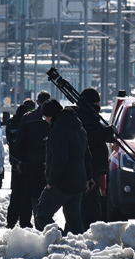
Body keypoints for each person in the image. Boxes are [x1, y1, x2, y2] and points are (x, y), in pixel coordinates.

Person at [34, 99, 94, 234]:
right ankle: (79, 246)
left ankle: (58, 240)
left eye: (45, 117)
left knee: (42, 215)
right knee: (74, 220)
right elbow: (87, 155)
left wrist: (51, 182)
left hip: (62, 183)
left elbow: (60, 159)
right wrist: (89, 177)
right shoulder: (79, 128)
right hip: (78, 182)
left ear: (50, 116)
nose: (46, 120)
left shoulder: (58, 131)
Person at [72, 87, 115, 229]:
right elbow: (91, 137)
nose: (99, 107)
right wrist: (107, 132)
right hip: (89, 169)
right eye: (97, 103)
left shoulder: (87, 116)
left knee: (89, 202)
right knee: (91, 205)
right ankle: (90, 230)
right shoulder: (85, 118)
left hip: (92, 168)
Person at [15, 95, 51, 218]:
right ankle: (42, 219)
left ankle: (27, 221)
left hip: (29, 161)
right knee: (45, 191)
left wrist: (19, 160)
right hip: (48, 161)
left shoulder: (28, 117)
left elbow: (20, 141)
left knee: (28, 192)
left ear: (37, 102)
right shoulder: (52, 117)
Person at [5, 99, 36, 229]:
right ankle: (25, 222)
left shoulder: (11, 123)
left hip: (15, 163)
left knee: (16, 193)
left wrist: (16, 160)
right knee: (26, 194)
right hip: (28, 163)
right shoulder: (29, 123)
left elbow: (11, 143)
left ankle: (11, 221)